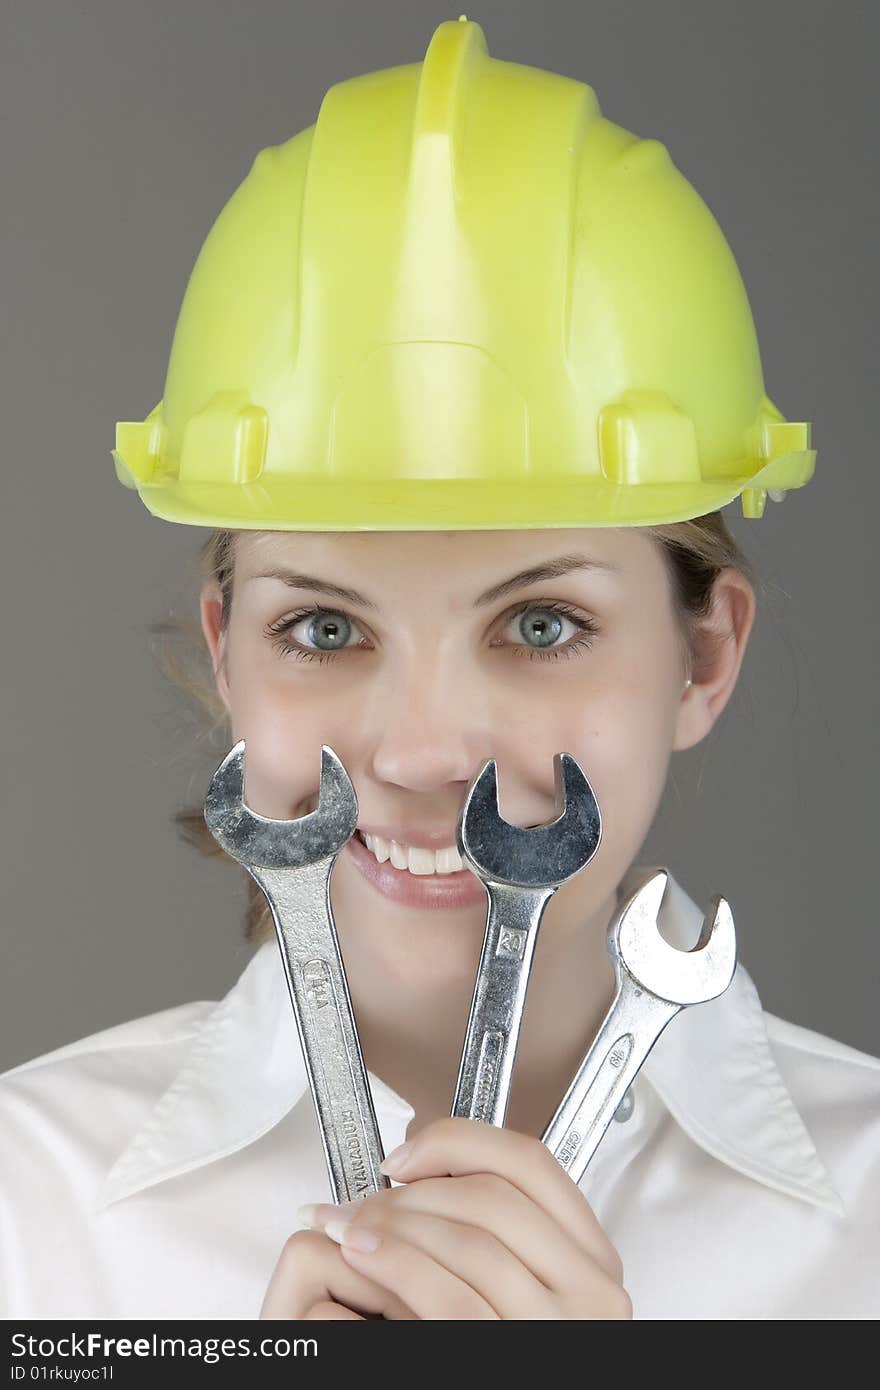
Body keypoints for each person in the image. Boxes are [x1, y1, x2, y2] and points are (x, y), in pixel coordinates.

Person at [1, 17, 877, 1321]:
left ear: (701, 654)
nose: (419, 750)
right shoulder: (29, 1207)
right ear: (231, 652)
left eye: (537, 626)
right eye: (326, 627)